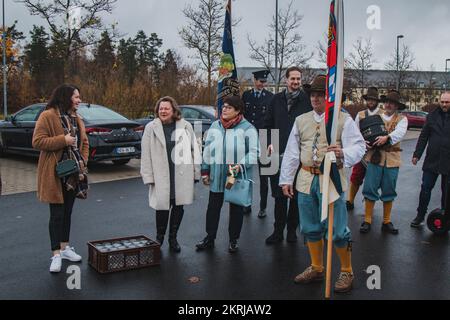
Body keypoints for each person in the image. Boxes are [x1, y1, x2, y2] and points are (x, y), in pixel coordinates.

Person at [279, 75, 365, 293]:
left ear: (330, 98)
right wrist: (286, 179)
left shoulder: (343, 119)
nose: (316, 99)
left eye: (321, 95)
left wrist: (343, 153)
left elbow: (359, 146)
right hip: (306, 180)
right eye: (313, 95)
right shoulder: (301, 120)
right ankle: (317, 268)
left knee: (337, 231)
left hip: (332, 181)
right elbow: (291, 152)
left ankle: (347, 271)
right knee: (309, 228)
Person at [32, 84, 89, 273]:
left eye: (79, 97)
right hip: (55, 174)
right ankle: (55, 254)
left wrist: (83, 162)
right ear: (66, 97)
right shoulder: (48, 116)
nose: (79, 100)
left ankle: (65, 248)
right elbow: (37, 141)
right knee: (57, 214)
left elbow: (85, 142)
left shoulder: (76, 118)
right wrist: (62, 141)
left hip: (74, 174)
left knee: (67, 213)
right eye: (76, 97)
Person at [196, 96, 259, 253]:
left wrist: (240, 165)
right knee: (213, 207)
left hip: (234, 173)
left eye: (229, 107)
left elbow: (254, 152)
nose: (224, 109)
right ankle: (209, 238)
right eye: (223, 107)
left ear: (238, 111)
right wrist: (205, 170)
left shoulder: (248, 128)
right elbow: (207, 149)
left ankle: (233, 240)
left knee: (236, 207)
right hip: (217, 173)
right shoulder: (215, 126)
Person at [140, 96, 201, 252]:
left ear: (174, 110)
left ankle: (173, 238)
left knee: (178, 205)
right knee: (162, 207)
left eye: (166, 108)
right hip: (161, 174)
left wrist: (196, 172)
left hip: (181, 173)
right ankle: (159, 238)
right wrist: (148, 176)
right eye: (161, 108)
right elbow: (145, 154)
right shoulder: (150, 128)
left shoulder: (186, 126)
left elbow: (195, 150)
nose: (163, 111)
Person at [264, 66, 312, 244]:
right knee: (279, 196)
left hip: (299, 157)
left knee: (296, 196)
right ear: (286, 80)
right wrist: (269, 141)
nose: (296, 82)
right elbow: (266, 124)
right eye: (293, 78)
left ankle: (292, 231)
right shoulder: (275, 100)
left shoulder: (306, 101)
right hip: (277, 154)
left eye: (298, 79)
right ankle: (278, 232)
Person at [361, 90, 408, 234]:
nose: (388, 105)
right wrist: (364, 142)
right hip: (375, 158)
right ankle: (367, 220)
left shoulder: (402, 119)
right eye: (387, 102)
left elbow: (400, 133)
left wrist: (386, 138)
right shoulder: (375, 118)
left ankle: (386, 221)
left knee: (389, 190)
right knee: (370, 188)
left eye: (392, 103)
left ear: (396, 106)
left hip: (392, 159)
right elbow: (363, 133)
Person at [410, 92, 450, 227]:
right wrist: (417, 154)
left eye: (447, 102)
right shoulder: (432, 116)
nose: (444, 104)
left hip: (448, 162)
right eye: (442, 102)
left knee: (447, 193)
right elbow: (423, 136)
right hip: (432, 160)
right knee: (425, 188)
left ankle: (446, 219)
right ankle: (420, 216)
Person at [242, 69, 274, 218]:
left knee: (264, 176)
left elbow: (273, 121)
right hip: (248, 139)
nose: (262, 84)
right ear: (254, 80)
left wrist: (270, 142)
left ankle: (263, 207)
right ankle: (246, 203)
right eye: (260, 81)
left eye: (264, 82)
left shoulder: (270, 97)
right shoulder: (246, 95)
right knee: (245, 173)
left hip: (263, 139)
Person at [346, 87, 382, 211]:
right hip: (362, 151)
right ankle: (349, 200)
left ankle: (368, 209)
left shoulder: (383, 114)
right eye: (369, 100)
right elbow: (355, 131)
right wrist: (361, 142)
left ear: (377, 101)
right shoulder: (360, 114)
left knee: (372, 182)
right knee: (356, 176)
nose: (371, 102)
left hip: (378, 152)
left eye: (373, 100)